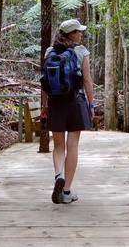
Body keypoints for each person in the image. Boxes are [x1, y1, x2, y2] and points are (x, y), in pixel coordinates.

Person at [41, 18, 95, 204]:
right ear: (72, 34)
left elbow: (44, 83)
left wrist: (45, 105)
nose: (81, 33)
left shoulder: (50, 51)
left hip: (56, 102)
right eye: (79, 31)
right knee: (72, 146)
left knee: (58, 146)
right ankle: (66, 191)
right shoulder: (81, 51)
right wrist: (90, 105)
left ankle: (58, 175)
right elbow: (87, 80)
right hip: (76, 101)